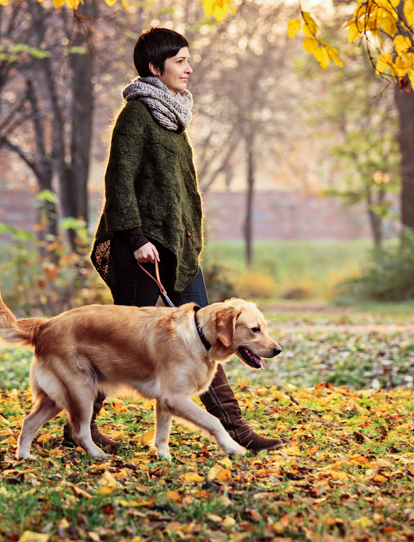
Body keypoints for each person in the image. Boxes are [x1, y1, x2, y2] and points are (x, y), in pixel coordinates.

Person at [61, 27, 283, 453]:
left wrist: (188, 240)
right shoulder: (137, 115)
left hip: (177, 251)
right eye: (180, 60)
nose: (189, 67)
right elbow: (119, 182)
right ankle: (79, 430)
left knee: (213, 335)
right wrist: (137, 237)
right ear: (153, 67)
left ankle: (234, 429)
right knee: (117, 341)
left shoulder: (174, 117)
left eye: (188, 59)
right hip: (140, 250)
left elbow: (178, 193)